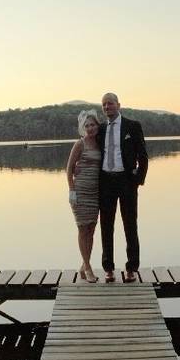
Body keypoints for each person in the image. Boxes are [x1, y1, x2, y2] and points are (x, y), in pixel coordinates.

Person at [98, 92, 148, 282]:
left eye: (110, 104)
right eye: (104, 105)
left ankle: (131, 268)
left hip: (126, 181)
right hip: (106, 182)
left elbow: (143, 156)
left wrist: (138, 180)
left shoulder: (132, 126)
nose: (107, 107)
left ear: (118, 105)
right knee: (106, 226)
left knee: (130, 225)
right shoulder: (101, 129)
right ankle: (108, 268)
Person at [65, 109, 102, 282]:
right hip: (80, 192)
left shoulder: (100, 143)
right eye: (86, 125)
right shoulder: (80, 144)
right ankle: (88, 267)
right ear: (83, 127)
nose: (90, 128)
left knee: (91, 229)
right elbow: (69, 168)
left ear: (97, 125)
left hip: (95, 193)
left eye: (92, 124)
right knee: (82, 228)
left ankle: (83, 265)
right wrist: (72, 190)